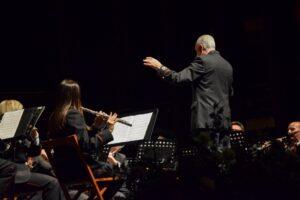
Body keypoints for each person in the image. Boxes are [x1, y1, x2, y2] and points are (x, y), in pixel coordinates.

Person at [143, 34, 233, 145]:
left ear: (201, 47)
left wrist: (160, 67)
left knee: (207, 159)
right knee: (223, 158)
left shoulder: (203, 61)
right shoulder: (227, 65)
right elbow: (230, 92)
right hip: (224, 122)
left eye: (196, 51)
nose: (196, 55)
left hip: (205, 122)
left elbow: (178, 78)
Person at [48, 79, 118, 177]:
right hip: (77, 169)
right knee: (116, 171)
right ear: (75, 96)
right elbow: (87, 146)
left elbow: (79, 140)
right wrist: (108, 130)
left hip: (62, 169)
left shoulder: (55, 117)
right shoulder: (73, 114)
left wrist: (95, 127)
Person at [0, 99, 66, 200]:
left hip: (22, 174)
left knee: (53, 183)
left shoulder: (22, 134)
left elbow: (34, 152)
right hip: (7, 176)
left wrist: (35, 138)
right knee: (52, 183)